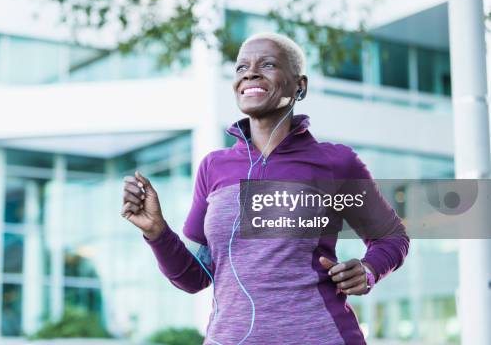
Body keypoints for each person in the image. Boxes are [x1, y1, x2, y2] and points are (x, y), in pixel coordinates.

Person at [121, 32, 409, 345]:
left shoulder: (335, 162)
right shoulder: (214, 167)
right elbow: (193, 278)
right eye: (241, 68)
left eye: (268, 64)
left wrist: (369, 269)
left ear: (300, 86)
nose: (250, 73)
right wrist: (156, 232)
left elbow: (392, 237)